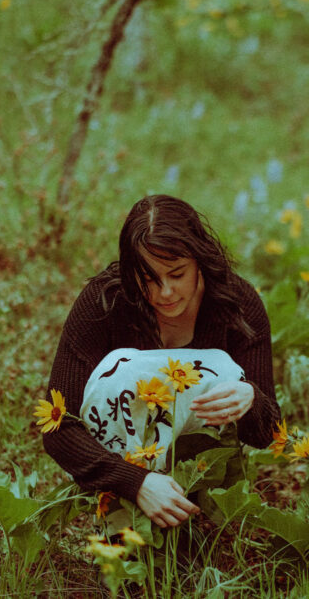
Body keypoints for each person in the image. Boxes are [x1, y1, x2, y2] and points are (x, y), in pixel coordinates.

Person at [43, 195, 280, 528]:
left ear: (200, 259)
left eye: (177, 274)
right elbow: (56, 427)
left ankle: (197, 514)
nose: (165, 292)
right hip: (120, 466)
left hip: (200, 473)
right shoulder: (104, 303)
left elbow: (268, 432)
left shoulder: (237, 304)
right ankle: (123, 520)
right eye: (149, 278)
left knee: (225, 371)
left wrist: (251, 400)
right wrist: (134, 481)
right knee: (120, 368)